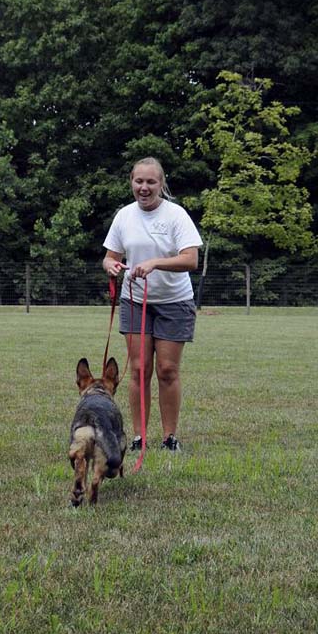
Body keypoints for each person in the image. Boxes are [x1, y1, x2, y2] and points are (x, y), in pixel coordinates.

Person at [102, 157, 203, 452]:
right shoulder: (124, 216)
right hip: (134, 300)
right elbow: (110, 255)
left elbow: (191, 259)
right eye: (138, 181)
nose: (144, 188)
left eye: (150, 182)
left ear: (161, 184)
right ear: (131, 182)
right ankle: (139, 437)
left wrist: (156, 263)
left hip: (174, 302)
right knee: (138, 369)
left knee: (167, 370)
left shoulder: (176, 215)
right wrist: (110, 265)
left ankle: (170, 438)